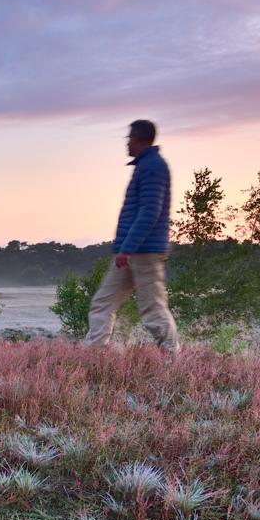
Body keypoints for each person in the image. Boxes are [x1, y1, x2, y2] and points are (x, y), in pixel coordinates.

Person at [87, 119, 180, 352]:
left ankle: (173, 359)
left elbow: (150, 210)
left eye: (128, 138)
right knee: (103, 302)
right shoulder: (145, 165)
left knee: (153, 308)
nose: (127, 143)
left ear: (138, 138)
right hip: (130, 251)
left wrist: (127, 247)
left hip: (144, 251)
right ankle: (92, 356)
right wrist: (124, 249)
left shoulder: (153, 166)